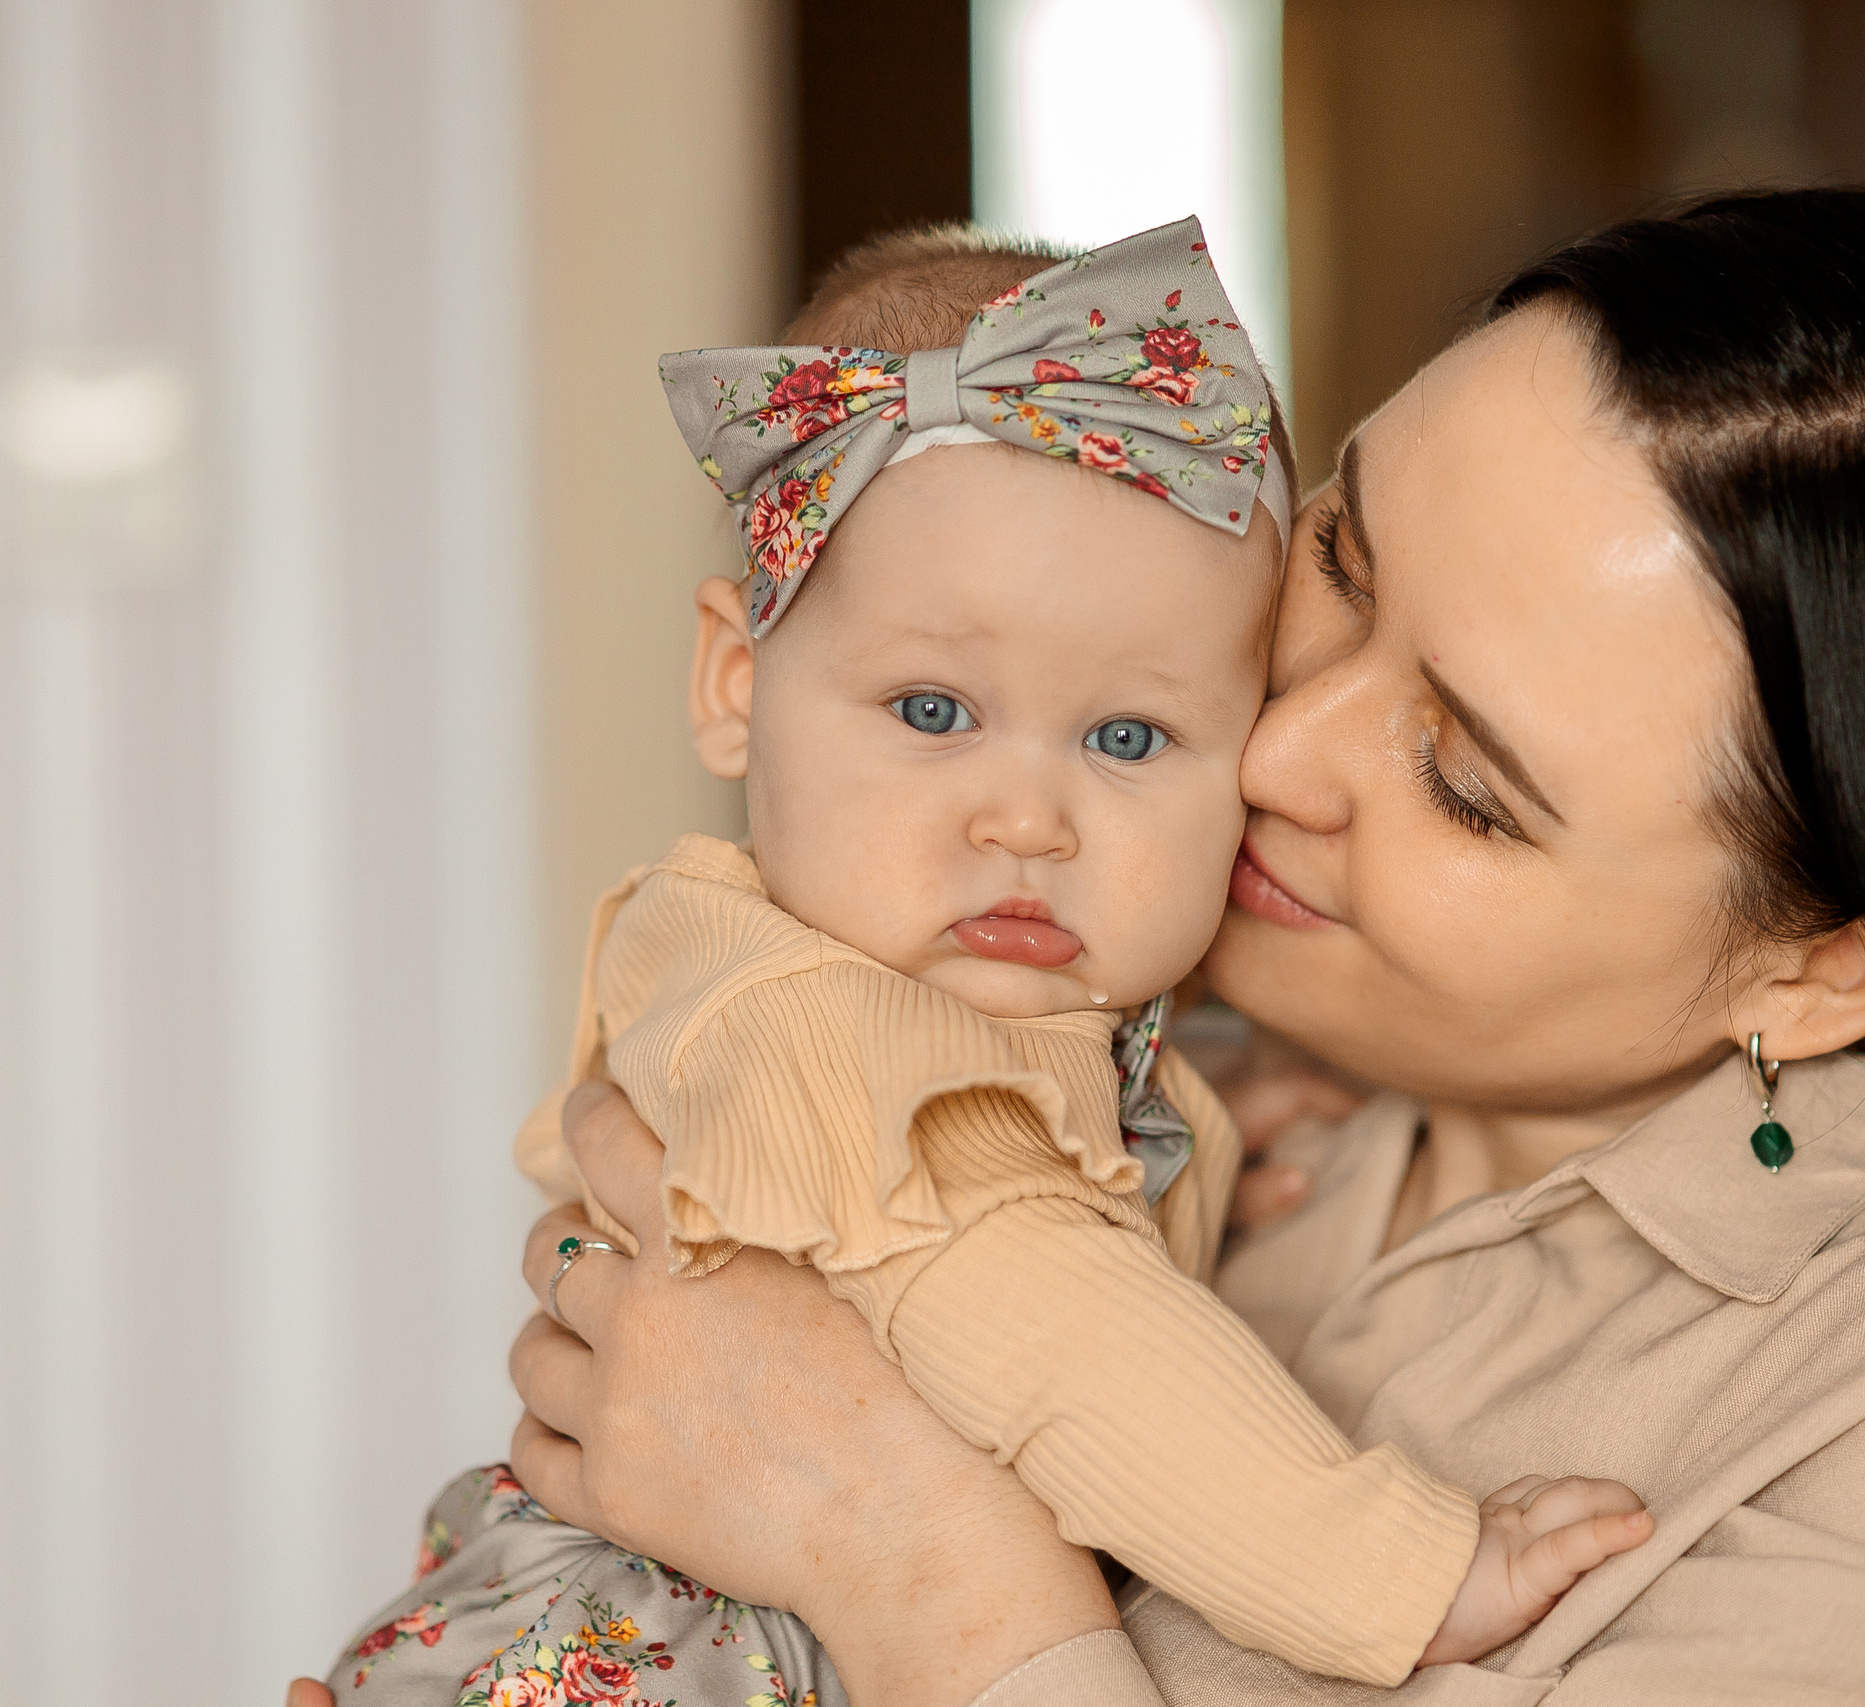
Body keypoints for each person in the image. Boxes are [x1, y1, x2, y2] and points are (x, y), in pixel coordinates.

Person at [297, 185, 1865, 1706]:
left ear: (1808, 963)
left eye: (1463, 780)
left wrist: (914, 1559)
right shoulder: (1171, 1052)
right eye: (1331, 563)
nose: (1265, 743)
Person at [319, 219, 1646, 1704]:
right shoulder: (841, 1037)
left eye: (1127, 738)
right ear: (735, 685)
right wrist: (1405, 1573)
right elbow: (1072, 1352)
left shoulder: (801, 966)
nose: (1026, 819)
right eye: (934, 712)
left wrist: (1185, 1119)